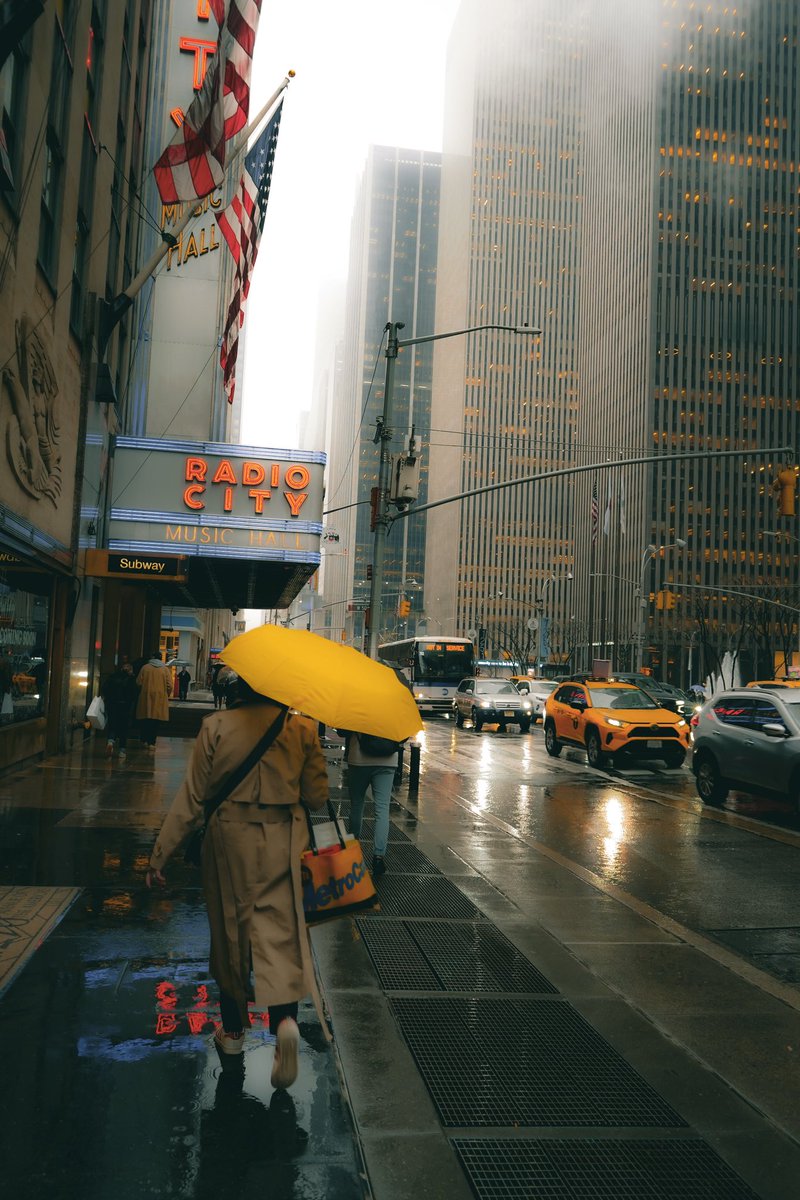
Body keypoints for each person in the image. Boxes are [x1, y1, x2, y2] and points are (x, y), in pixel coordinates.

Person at [145, 677, 329, 1090]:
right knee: (281, 936)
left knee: (231, 933)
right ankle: (284, 1024)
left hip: (229, 841)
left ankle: (232, 1033)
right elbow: (316, 796)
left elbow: (193, 798)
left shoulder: (216, 726)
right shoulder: (301, 729)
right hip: (285, 840)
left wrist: (161, 854)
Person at [341, 733, 397, 877]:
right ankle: (378, 857)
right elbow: (403, 736)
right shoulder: (394, 709)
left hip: (359, 759)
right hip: (387, 760)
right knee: (382, 809)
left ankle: (353, 852)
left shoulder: (356, 708)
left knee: (357, 805)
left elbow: (342, 731)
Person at [136, 651, 172, 750]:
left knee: (145, 720)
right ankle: (152, 742)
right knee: (155, 722)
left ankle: (144, 740)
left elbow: (139, 682)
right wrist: (166, 694)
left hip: (146, 696)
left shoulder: (145, 668)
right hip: (159, 698)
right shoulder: (165, 669)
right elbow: (169, 685)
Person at [101, 661, 138, 759]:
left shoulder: (113, 677)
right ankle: (122, 751)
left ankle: (110, 741)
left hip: (112, 705)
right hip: (125, 707)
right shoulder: (131, 679)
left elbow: (104, 688)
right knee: (123, 728)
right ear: (130, 671)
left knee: (112, 725)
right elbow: (134, 694)